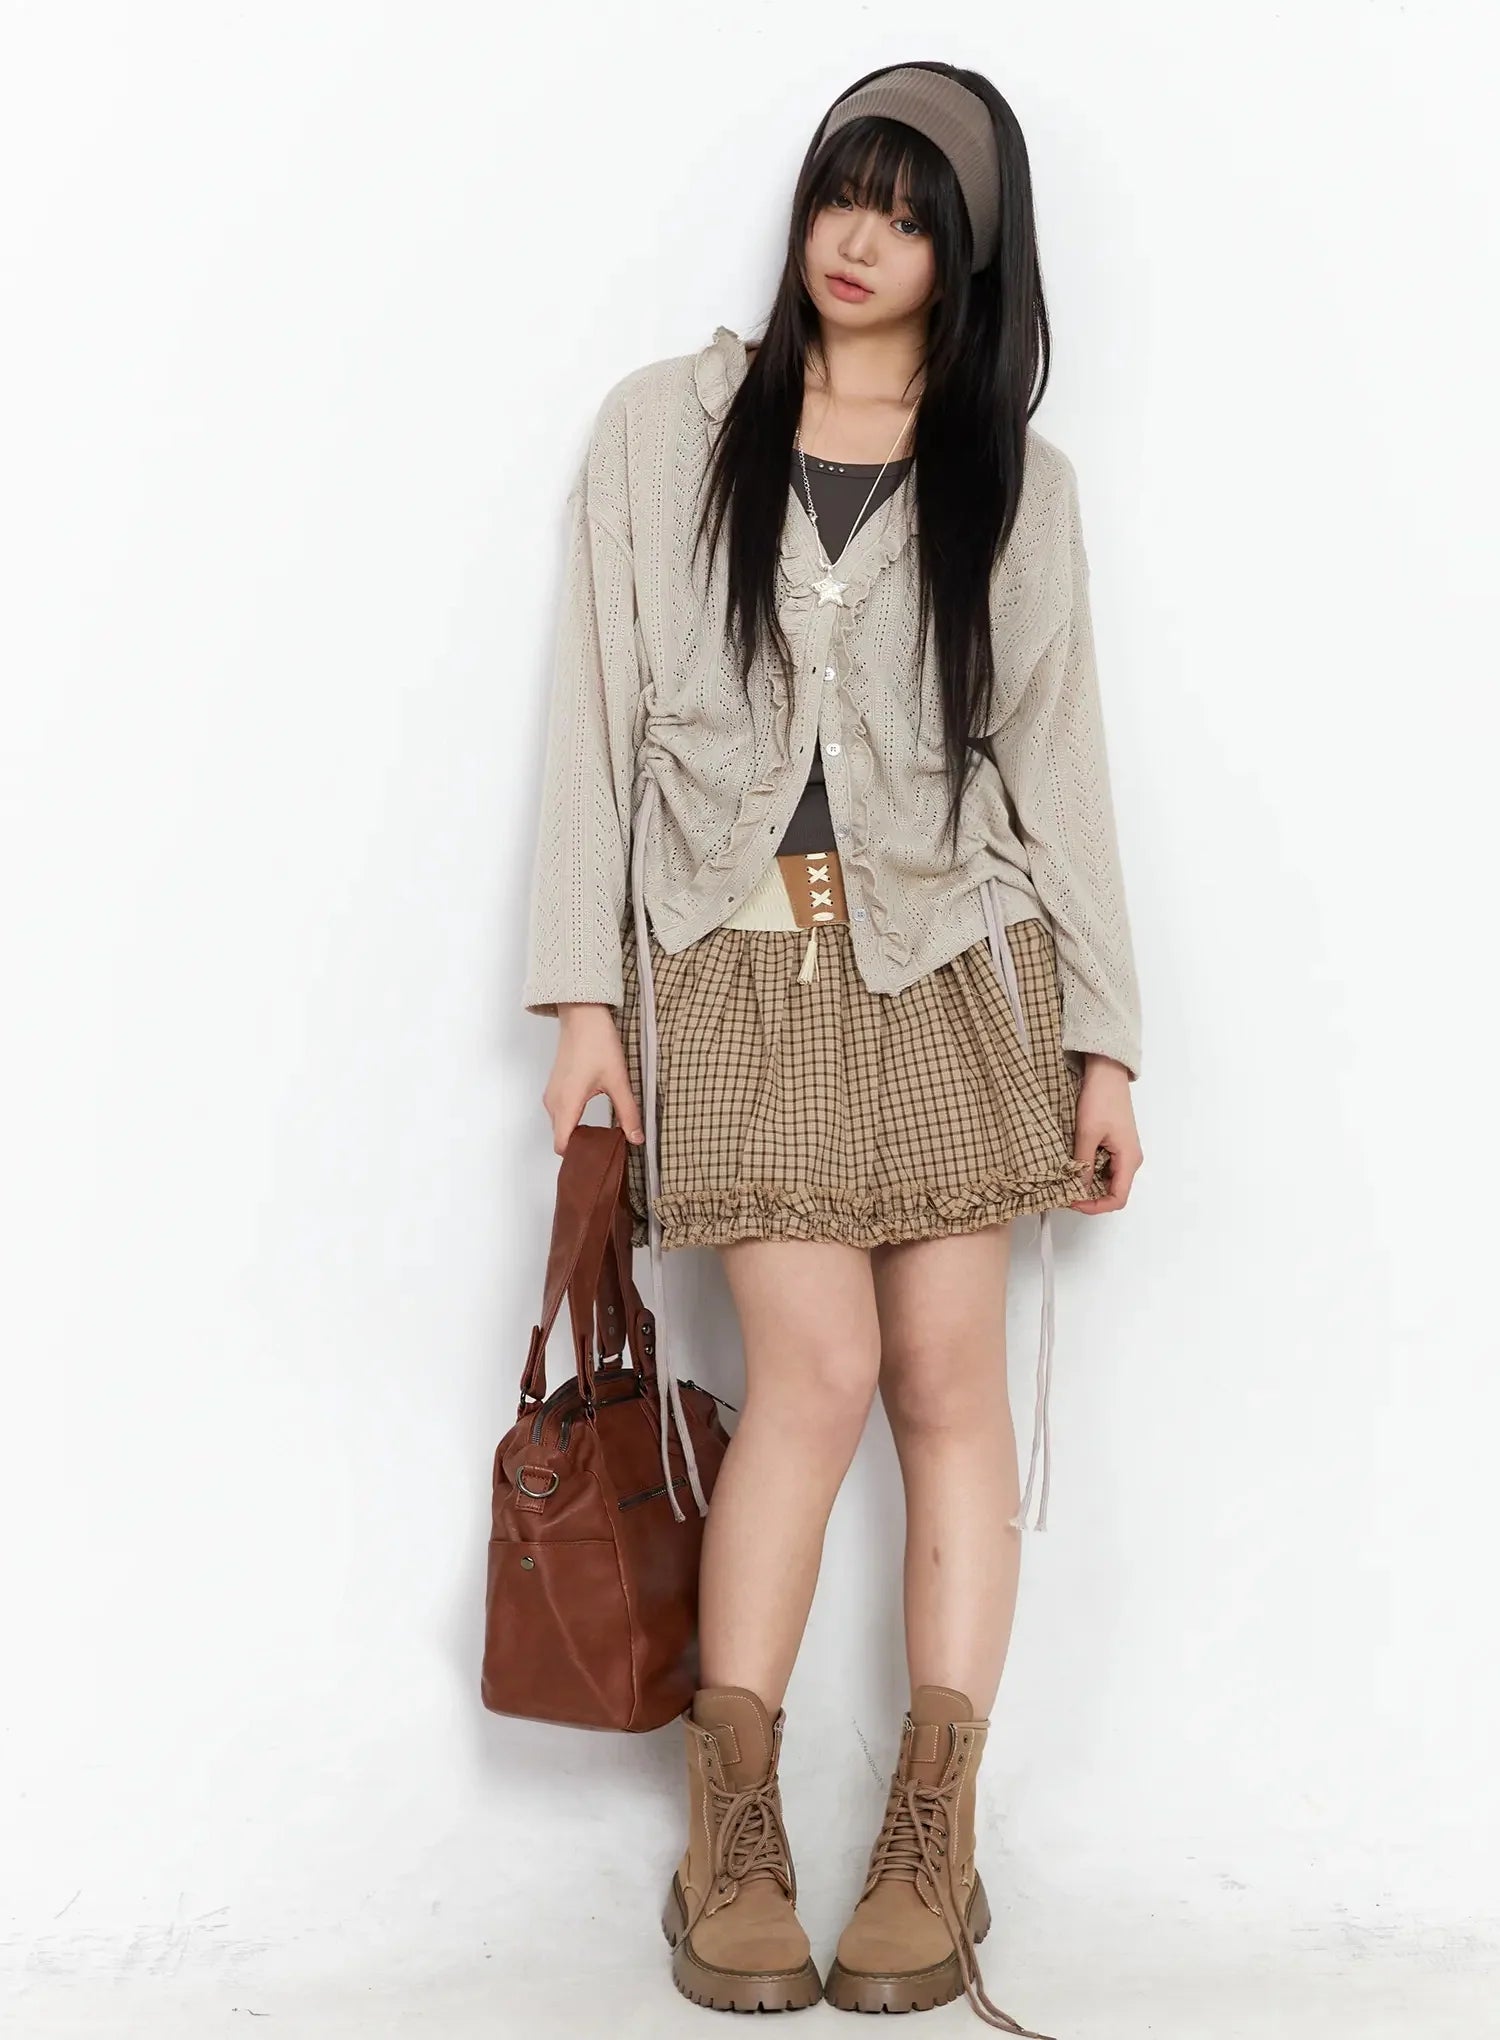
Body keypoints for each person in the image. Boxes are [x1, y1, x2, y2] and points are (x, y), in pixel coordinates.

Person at [520, 59, 1144, 2032]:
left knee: (949, 1383)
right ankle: (733, 1835)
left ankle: (930, 1843)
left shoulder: (1013, 484)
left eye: (907, 213)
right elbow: (593, 720)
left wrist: (1107, 1042)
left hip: (957, 973)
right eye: (839, 195)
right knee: (818, 1372)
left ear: (968, 255)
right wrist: (583, 999)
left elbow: (1057, 771)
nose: (859, 240)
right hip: (737, 968)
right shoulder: (667, 430)